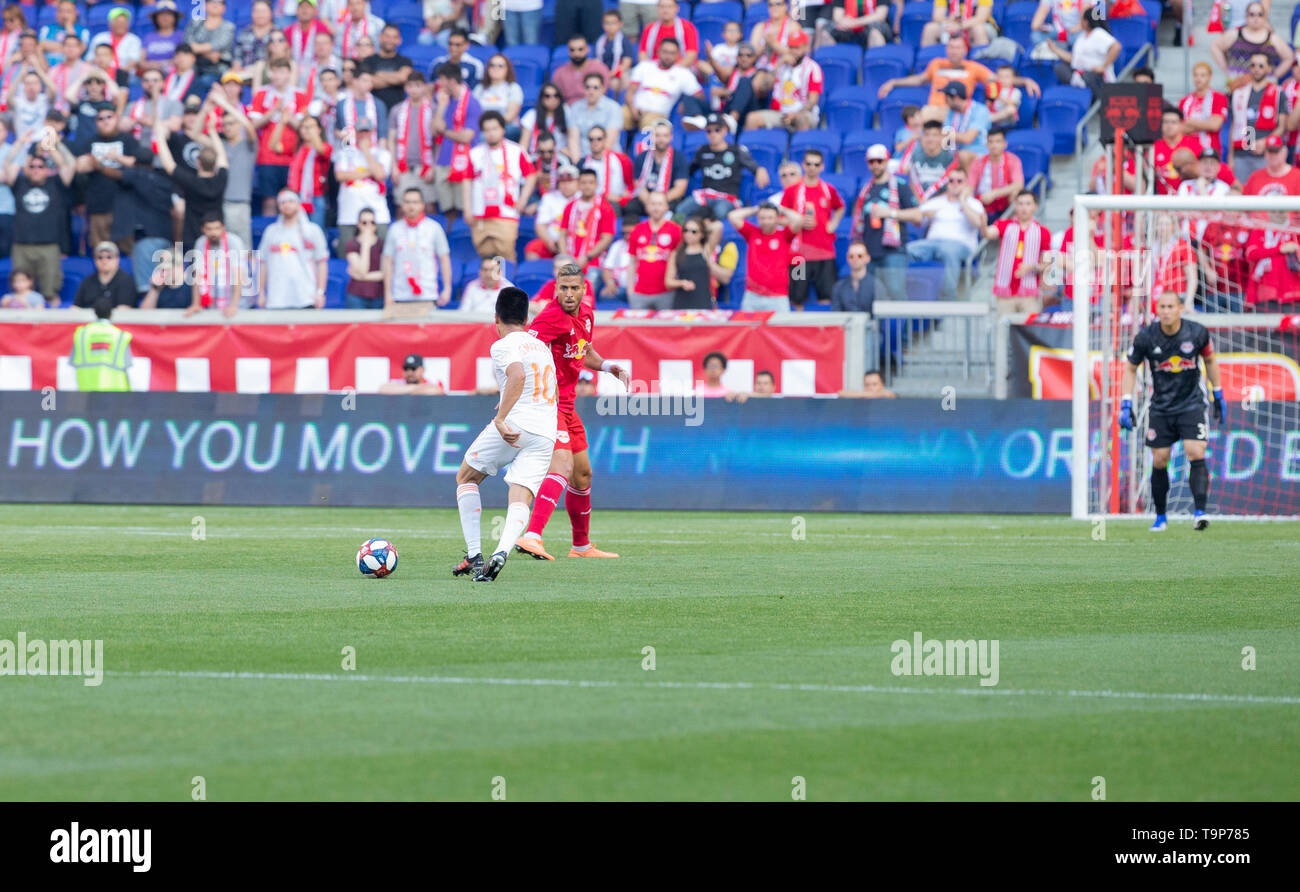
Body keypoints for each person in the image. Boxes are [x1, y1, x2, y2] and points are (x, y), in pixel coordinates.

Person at [515, 264, 631, 562]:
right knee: (564, 466)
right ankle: (532, 536)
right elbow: (523, 351)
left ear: (583, 290)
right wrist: (514, 393)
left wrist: (608, 367)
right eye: (563, 288)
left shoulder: (587, 315)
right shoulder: (551, 317)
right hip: (546, 403)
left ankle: (581, 546)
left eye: (573, 288)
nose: (568, 293)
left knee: (582, 474)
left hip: (568, 404)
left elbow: (584, 350)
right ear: (556, 288)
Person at [452, 287, 560, 581]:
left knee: (466, 477)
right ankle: (502, 551)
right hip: (546, 429)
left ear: (496, 318)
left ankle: (475, 556)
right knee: (520, 494)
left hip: (515, 424)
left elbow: (517, 375)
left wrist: (501, 418)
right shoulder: (541, 347)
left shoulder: (502, 345)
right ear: (526, 318)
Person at [1119, 291, 1224, 531]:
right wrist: (1126, 402)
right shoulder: (1146, 337)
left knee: (1195, 451)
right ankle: (1160, 516)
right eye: (1162, 307)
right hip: (1161, 406)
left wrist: (1217, 393)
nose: (1166, 311)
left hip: (1192, 403)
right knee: (1160, 458)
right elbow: (1130, 368)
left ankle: (1199, 512)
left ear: (1179, 308)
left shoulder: (1197, 332)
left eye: (1170, 306)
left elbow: (1210, 361)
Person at [2, 138, 76, 301]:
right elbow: (8, 164)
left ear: (47, 170)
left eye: (40, 166)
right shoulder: (20, 183)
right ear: (26, 169)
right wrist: (20, 143)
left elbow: (69, 164)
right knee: (21, 295)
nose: (36, 169)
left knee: (50, 293)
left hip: (48, 246)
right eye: (32, 166)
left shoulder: (55, 183)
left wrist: (55, 145)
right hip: (22, 246)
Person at [850, 144, 923, 301]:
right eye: (872, 161)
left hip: (893, 251)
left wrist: (890, 213)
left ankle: (904, 326)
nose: (876, 165)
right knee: (868, 295)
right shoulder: (865, 189)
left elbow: (918, 216)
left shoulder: (900, 185)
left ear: (887, 161)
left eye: (879, 161)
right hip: (869, 251)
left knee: (896, 292)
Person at [463, 110, 537, 262]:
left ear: (503, 129)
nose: (491, 133)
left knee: (506, 257)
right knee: (485, 260)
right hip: (480, 213)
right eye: (487, 130)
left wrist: (523, 200)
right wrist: (467, 208)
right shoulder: (474, 153)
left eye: (494, 129)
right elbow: (467, 181)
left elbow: (531, 175)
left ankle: (508, 286)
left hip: (506, 212)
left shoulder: (516, 151)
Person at [908, 166, 985, 301]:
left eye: (959, 181)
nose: (955, 184)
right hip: (931, 244)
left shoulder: (974, 203)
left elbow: (978, 223)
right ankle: (910, 293)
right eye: (951, 181)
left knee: (948, 250)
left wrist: (963, 201)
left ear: (966, 184)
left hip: (961, 246)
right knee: (909, 250)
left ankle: (948, 298)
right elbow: (916, 216)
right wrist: (923, 214)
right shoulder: (937, 202)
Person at [781, 148, 843, 307]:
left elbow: (841, 207)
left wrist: (833, 224)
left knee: (826, 296)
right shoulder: (792, 191)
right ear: (803, 165)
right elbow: (780, 218)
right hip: (798, 256)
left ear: (822, 167)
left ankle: (823, 331)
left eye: (816, 164)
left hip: (825, 253)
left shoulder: (828, 189)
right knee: (796, 297)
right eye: (809, 164)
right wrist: (798, 222)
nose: (812, 167)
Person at [154, 119, 229, 251]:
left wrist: (160, 137)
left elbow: (169, 166)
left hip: (192, 238)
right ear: (215, 163)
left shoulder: (192, 182)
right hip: (217, 237)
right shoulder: (221, 179)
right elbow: (222, 156)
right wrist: (212, 132)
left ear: (198, 162)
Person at [678, 112, 767, 222]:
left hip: (727, 197)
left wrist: (760, 169)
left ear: (725, 130)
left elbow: (754, 167)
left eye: (717, 130)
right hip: (706, 195)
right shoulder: (702, 151)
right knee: (680, 210)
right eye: (709, 131)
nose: (713, 134)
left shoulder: (736, 151)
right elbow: (687, 171)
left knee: (720, 212)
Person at [76, 105, 143, 250]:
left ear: (116, 119)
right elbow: (80, 167)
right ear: (96, 123)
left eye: (109, 117)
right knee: (102, 253)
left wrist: (115, 158)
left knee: (128, 252)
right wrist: (88, 163)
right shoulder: (89, 143)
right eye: (100, 119)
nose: (105, 121)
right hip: (98, 206)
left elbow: (138, 165)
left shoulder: (128, 140)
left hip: (125, 207)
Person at [250, 57, 309, 216]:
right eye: (274, 71)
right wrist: (273, 112)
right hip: (267, 156)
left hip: (292, 156)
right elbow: (253, 125)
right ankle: (269, 236)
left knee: (291, 199)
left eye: (282, 71)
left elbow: (304, 128)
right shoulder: (262, 94)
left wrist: (287, 116)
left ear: (289, 73)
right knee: (269, 200)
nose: (277, 76)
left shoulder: (299, 95)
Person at [726, 202, 806, 311]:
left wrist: (781, 209)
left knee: (780, 328)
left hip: (778, 296)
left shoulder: (784, 235)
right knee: (748, 328)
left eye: (770, 218)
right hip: (752, 295)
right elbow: (733, 216)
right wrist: (756, 208)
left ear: (777, 219)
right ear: (758, 219)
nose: (766, 221)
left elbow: (799, 220)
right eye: (762, 218)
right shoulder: (752, 233)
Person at [383, 187, 453, 311]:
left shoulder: (434, 228)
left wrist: (447, 288)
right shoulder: (394, 229)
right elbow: (387, 261)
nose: (411, 206)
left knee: (427, 330)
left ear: (422, 205)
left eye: (415, 202)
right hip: (400, 294)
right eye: (408, 202)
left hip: (427, 293)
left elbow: (444, 259)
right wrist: (388, 293)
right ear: (402, 205)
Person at [258, 189, 330, 308]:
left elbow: (322, 262)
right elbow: (263, 263)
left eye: (291, 201)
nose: (287, 205)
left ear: (298, 204)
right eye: (283, 202)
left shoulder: (312, 231)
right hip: (276, 298)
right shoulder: (271, 232)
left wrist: (320, 292)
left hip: (306, 297)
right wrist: (261, 293)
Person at [981, 190, 1050, 314]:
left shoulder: (1043, 232)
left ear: (1035, 207)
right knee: (1003, 330)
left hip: (1029, 293)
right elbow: (988, 233)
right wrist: (983, 224)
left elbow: (1047, 264)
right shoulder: (1005, 225)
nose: (1024, 208)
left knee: (1029, 330)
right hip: (1005, 292)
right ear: (1015, 206)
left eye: (1028, 204)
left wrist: (1031, 267)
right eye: (1020, 204)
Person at [430, 62, 479, 224]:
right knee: (446, 209)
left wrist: (445, 131)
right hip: (444, 159)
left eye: (441, 80)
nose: (438, 84)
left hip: (463, 162)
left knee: (461, 208)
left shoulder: (472, 103)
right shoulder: (445, 101)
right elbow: (434, 129)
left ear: (451, 81)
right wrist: (442, 106)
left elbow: (467, 137)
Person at [1229, 54, 1291, 182]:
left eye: (1261, 65)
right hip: (1242, 153)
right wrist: (1230, 158)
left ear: (1269, 68)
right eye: (1253, 65)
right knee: (1242, 195)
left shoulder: (1277, 92)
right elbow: (1234, 126)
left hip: (1267, 154)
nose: (1256, 69)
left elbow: (1282, 126)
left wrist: (1264, 142)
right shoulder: (1239, 93)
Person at [334, 116, 392, 252]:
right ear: (355, 132)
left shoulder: (382, 153)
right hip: (349, 213)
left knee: (381, 253)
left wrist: (366, 151)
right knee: (346, 253)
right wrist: (369, 172)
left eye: (367, 131)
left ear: (372, 132)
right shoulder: (345, 153)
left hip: (377, 212)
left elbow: (380, 175)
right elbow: (340, 175)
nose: (364, 135)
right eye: (361, 131)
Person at [624, 38, 704, 132]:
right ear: (658, 51)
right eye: (665, 52)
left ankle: (644, 147)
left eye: (672, 53)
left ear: (678, 55)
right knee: (617, 116)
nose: (668, 56)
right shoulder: (644, 66)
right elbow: (630, 92)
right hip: (634, 108)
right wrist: (633, 108)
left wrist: (685, 103)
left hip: (658, 114)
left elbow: (700, 96)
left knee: (649, 124)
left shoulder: (683, 74)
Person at [748, 29, 821, 132]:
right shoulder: (782, 65)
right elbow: (764, 87)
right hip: (780, 112)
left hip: (802, 112)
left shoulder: (812, 68)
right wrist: (778, 64)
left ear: (805, 47)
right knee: (752, 118)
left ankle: (801, 147)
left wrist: (795, 114)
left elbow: (812, 100)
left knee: (801, 119)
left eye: (797, 48)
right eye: (791, 47)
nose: (793, 51)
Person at [1210, 1, 1292, 89]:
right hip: (1238, 87)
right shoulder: (1235, 34)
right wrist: (1226, 69)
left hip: (1264, 89)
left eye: (1259, 15)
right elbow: (1215, 46)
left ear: (1264, 17)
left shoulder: (1272, 38)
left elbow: (1289, 57)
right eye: (1252, 14)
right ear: (1246, 16)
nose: (1255, 18)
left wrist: (1275, 75)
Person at [625, 191, 682, 310]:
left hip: (666, 292)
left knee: (665, 328)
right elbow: (632, 262)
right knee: (638, 328)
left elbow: (680, 260)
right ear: (647, 206)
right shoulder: (637, 230)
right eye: (653, 204)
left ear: (666, 206)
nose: (656, 208)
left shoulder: (675, 230)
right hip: (640, 293)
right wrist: (630, 290)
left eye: (660, 204)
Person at [557, 168, 617, 279]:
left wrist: (587, 257)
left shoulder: (605, 207)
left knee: (586, 290)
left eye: (591, 182)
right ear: (579, 184)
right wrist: (565, 258)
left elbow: (607, 238)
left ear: (596, 184)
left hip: (593, 263)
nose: (587, 186)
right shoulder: (570, 206)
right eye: (583, 183)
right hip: (570, 262)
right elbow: (562, 235)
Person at [624, 119, 688, 223]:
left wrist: (660, 202)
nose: (661, 139)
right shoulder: (641, 157)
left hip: (668, 199)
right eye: (657, 135)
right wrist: (651, 202)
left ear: (671, 137)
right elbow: (638, 185)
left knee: (679, 211)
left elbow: (680, 188)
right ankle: (637, 237)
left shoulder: (679, 158)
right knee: (630, 207)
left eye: (665, 136)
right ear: (652, 137)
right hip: (646, 199)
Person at [186, 212, 248, 317]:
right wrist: (196, 303)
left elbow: (238, 275)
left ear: (223, 228)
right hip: (212, 303)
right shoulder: (200, 243)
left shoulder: (234, 241)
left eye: (216, 228)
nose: (213, 232)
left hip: (238, 304)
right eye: (209, 229)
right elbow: (198, 275)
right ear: (203, 229)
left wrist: (233, 305)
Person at [1046, 6, 1117, 96]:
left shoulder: (1098, 33)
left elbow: (1116, 46)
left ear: (1086, 21)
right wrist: (1054, 49)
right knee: (1060, 68)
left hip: (1097, 77)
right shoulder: (1081, 38)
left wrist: (1103, 66)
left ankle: (1082, 85)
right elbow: (1073, 58)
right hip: (1081, 73)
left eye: (1081, 19)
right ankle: (1079, 84)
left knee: (1088, 76)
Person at [666, 215, 733, 309]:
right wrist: (682, 283)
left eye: (694, 231)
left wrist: (701, 227)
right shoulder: (677, 253)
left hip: (703, 300)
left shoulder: (706, 249)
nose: (689, 234)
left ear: (701, 234)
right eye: (686, 230)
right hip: (682, 300)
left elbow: (718, 226)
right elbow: (668, 282)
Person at [69, 297, 133, 391]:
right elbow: (129, 369)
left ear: (94, 312)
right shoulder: (120, 336)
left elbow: (71, 366)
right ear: (111, 313)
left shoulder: (81, 334)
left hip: (86, 394)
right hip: (115, 395)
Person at [524, 161, 580, 259]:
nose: (566, 185)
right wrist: (549, 241)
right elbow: (540, 225)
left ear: (577, 182)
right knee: (533, 248)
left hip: (576, 242)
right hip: (553, 242)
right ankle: (535, 274)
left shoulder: (583, 198)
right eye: (563, 181)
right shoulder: (549, 198)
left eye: (570, 181)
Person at [968, 128, 1024, 222]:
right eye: (991, 142)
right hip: (982, 202)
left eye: (998, 141)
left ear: (1005, 144)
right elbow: (970, 187)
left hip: (1005, 202)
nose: (994, 145)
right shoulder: (978, 162)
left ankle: (1012, 226)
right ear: (986, 145)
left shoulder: (1013, 160)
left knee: (1015, 193)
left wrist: (995, 193)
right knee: (966, 197)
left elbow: (1018, 184)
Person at [184, 0, 236, 93]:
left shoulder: (228, 27)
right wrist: (208, 53)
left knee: (203, 82)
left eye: (219, 2)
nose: (215, 4)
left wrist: (196, 49)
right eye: (212, 1)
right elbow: (187, 44)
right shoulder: (195, 23)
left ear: (224, 8)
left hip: (218, 69)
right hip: (194, 67)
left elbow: (219, 44)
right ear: (205, 5)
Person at [1180, 61, 1229, 159]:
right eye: (1196, 75)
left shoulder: (1219, 98)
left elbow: (1214, 125)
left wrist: (1189, 122)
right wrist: (1205, 124)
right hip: (1188, 152)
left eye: (1202, 75)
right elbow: (1180, 129)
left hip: (1210, 152)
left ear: (1210, 77)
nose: (1198, 79)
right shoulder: (1185, 101)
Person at [567, 73, 622, 158]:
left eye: (595, 87)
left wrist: (592, 163)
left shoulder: (613, 108)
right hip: (582, 159)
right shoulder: (575, 108)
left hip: (607, 158)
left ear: (603, 89)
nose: (591, 91)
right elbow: (573, 139)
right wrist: (578, 164)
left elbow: (608, 142)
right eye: (587, 87)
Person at [521, 81, 577, 161]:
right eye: (547, 96)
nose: (552, 99)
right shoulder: (532, 115)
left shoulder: (566, 112)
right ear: (542, 98)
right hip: (536, 156)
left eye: (556, 96)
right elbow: (524, 144)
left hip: (559, 157)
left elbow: (573, 138)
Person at [473, 55, 524, 141]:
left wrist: (491, 127)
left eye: (500, 66)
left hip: (506, 126)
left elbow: (510, 116)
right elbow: (473, 111)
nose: (496, 68)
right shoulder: (479, 88)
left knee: (483, 137)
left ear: (507, 69)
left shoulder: (513, 88)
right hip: (482, 126)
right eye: (492, 65)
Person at [74, 241, 137, 309]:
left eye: (109, 257)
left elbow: (124, 310)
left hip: (116, 319)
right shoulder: (87, 281)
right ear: (95, 260)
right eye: (100, 257)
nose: (104, 261)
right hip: (89, 319)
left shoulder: (126, 281)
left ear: (117, 259)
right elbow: (75, 308)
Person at [938, 81, 991, 163]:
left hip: (979, 153)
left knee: (963, 155)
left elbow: (968, 138)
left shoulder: (980, 110)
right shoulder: (951, 112)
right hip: (957, 153)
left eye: (946, 97)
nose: (945, 100)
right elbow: (944, 135)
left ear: (955, 97)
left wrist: (940, 133)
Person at [343, 207, 385, 309]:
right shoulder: (352, 244)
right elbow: (362, 270)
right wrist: (365, 245)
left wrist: (361, 276)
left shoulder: (383, 244)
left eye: (372, 222)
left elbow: (385, 273)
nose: (368, 226)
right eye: (364, 223)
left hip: (379, 295)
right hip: (357, 296)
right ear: (358, 224)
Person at [578, 125, 633, 202]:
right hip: (592, 202)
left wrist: (621, 198)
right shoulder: (582, 163)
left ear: (605, 139)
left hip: (617, 201)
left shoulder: (621, 159)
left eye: (599, 139)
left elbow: (631, 185)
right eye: (591, 139)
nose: (595, 142)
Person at [554, 34, 611, 106]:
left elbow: (603, 93)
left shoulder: (600, 69)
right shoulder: (560, 73)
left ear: (587, 49)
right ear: (568, 51)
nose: (576, 53)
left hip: (595, 109)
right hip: (569, 111)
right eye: (572, 50)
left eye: (580, 49)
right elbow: (557, 98)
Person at [639, 0, 699, 69]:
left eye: (669, 7)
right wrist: (653, 70)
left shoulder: (687, 28)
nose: (665, 10)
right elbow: (643, 54)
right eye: (662, 7)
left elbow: (691, 54)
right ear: (657, 8)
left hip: (681, 69)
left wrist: (673, 71)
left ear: (676, 8)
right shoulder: (649, 28)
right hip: (654, 69)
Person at [923, 0, 995, 47]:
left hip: (979, 26)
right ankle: (926, 65)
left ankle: (981, 64)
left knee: (978, 29)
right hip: (953, 24)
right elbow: (937, 16)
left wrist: (959, 25)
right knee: (930, 29)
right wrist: (949, 21)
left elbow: (981, 18)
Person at [831, 242, 876, 314]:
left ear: (868, 258)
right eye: (851, 256)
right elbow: (836, 315)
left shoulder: (877, 286)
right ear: (847, 258)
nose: (855, 259)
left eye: (860, 256)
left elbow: (879, 318)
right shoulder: (839, 287)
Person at [830, 0, 895, 48]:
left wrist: (855, 22)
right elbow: (837, 16)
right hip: (849, 26)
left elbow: (880, 15)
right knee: (827, 29)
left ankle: (876, 62)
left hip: (872, 24)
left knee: (875, 29)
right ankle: (830, 63)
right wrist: (844, 22)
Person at [379, 353, 447, 394]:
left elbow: (436, 391)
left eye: (413, 369)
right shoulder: (399, 382)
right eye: (406, 369)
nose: (409, 372)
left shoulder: (432, 382)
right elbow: (383, 389)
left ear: (422, 370)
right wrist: (416, 388)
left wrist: (402, 390)